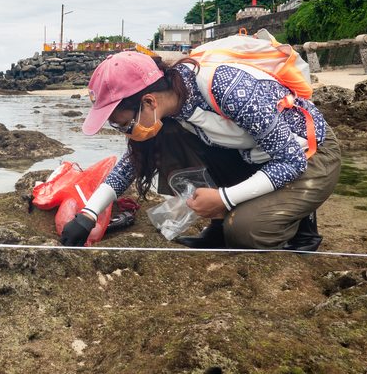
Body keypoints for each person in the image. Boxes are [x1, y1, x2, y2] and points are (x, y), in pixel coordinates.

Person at [59, 50, 341, 250]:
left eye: (123, 124)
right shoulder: (170, 102)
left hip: (308, 155)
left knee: (245, 233)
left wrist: (225, 199)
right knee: (164, 136)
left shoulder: (228, 89)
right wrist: (88, 214)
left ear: (148, 102)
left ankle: (303, 221)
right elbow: (131, 163)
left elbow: (291, 160)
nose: (125, 132)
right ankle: (220, 224)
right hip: (252, 156)